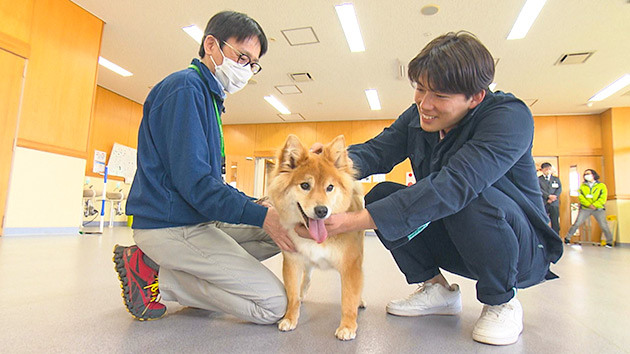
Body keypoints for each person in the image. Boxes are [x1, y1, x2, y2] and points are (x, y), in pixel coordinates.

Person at [300, 31, 562, 346]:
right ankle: (437, 289)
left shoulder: (508, 117)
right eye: (420, 89)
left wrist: (352, 222)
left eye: (439, 95)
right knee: (384, 195)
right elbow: (376, 151)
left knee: (468, 197)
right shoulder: (419, 117)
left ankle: (501, 300)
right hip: (459, 239)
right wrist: (327, 164)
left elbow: (453, 187)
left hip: (520, 249)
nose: (425, 104)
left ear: (476, 97)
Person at [113, 11, 294, 324]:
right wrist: (263, 214)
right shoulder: (185, 90)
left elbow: (209, 182)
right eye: (242, 57)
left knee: (282, 228)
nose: (247, 70)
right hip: (170, 226)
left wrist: (259, 205)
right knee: (273, 306)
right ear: (212, 45)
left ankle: (187, 272)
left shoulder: (209, 98)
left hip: (197, 218)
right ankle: (156, 271)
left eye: (253, 64)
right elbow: (197, 185)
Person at [564, 169, 613, 247]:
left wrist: (595, 205)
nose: (587, 175)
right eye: (585, 174)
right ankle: (567, 238)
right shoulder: (582, 186)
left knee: (604, 225)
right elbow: (581, 197)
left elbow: (603, 197)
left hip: (598, 209)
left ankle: (609, 242)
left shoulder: (601, 186)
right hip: (585, 208)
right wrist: (588, 204)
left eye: (588, 174)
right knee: (577, 223)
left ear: (594, 175)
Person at [538, 162, 562, 234]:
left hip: (554, 203)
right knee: (543, 220)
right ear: (542, 170)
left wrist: (554, 197)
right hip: (544, 202)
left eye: (549, 168)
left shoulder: (556, 179)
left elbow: (559, 189)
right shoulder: (538, 179)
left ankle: (556, 236)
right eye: (546, 169)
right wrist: (548, 196)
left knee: (555, 221)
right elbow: (538, 189)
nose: (548, 170)